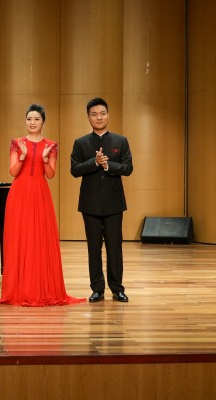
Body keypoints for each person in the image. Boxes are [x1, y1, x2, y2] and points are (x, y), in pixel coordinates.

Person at [0, 104, 84, 306]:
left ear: (43, 122)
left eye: (36, 119)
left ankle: (39, 288)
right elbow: (13, 171)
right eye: (29, 119)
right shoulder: (17, 143)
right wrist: (23, 156)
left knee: (39, 239)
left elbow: (50, 174)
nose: (32, 122)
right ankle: (19, 290)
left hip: (40, 194)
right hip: (19, 194)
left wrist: (44, 160)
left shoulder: (51, 145)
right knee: (19, 239)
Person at [70, 97, 133, 303]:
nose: (99, 118)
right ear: (88, 117)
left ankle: (117, 288)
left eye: (102, 113)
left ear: (108, 115)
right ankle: (97, 289)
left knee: (115, 247)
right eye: (94, 114)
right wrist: (94, 162)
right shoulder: (80, 143)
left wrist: (108, 166)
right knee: (93, 248)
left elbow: (128, 168)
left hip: (114, 203)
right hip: (89, 204)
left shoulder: (120, 141)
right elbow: (74, 170)